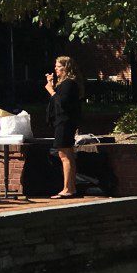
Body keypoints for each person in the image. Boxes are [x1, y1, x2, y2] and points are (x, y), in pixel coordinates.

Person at [44, 55, 83, 199]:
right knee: (68, 155)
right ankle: (71, 188)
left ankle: (68, 189)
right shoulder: (66, 83)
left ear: (66, 68)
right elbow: (58, 101)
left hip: (65, 123)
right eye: (55, 66)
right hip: (64, 122)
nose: (56, 69)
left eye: (59, 66)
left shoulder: (69, 83)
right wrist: (52, 85)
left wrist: (50, 90)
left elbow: (62, 102)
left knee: (64, 155)